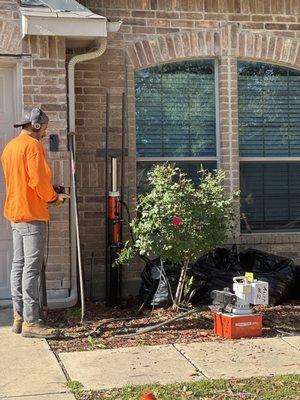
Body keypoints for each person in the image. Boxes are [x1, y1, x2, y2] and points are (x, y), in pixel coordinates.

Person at [1, 108, 69, 338]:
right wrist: (53, 198)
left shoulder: (10, 147)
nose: (45, 134)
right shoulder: (32, 146)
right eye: (45, 129)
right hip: (31, 214)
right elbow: (38, 181)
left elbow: (22, 179)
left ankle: (18, 316)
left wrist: (51, 189)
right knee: (31, 268)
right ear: (37, 126)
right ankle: (32, 321)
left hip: (15, 211)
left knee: (18, 265)